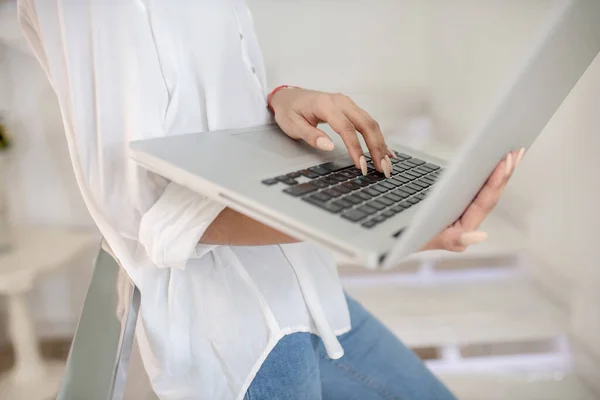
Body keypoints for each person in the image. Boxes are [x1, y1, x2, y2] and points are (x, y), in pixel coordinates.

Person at [18, 1, 523, 399]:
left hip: (306, 293)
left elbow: (207, 103)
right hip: (236, 342)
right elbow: (141, 207)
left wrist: (281, 97)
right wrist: (379, 221)